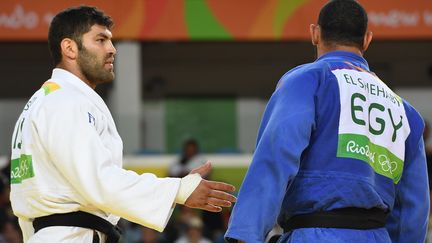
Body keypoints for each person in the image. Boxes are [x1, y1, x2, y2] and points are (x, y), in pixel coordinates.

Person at [9, 6, 236, 243]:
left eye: (110, 40)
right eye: (100, 40)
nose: (112, 49)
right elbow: (99, 180)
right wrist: (178, 190)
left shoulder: (46, 99)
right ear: (69, 48)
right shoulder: (65, 100)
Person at [225, 0, 429, 242]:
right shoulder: (406, 113)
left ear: (315, 33)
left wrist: (245, 233)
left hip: (315, 234)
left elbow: (276, 157)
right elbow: (412, 210)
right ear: (367, 40)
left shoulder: (308, 81)